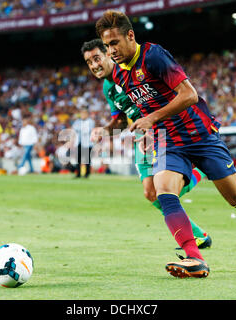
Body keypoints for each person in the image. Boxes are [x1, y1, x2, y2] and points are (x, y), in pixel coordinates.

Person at [96, 10, 236, 278]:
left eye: (114, 43)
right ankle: (195, 258)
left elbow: (189, 95)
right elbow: (144, 107)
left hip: (201, 135)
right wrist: (133, 129)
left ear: (130, 35)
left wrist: (152, 118)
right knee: (163, 191)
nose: (111, 50)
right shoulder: (120, 76)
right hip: (168, 142)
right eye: (107, 45)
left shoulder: (153, 56)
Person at [81, 38, 211, 248]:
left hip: (161, 132)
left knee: (165, 190)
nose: (94, 65)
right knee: (151, 193)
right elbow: (121, 120)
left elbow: (162, 98)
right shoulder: (108, 87)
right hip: (141, 137)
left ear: (109, 53)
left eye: (97, 58)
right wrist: (104, 130)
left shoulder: (132, 72)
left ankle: (200, 172)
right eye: (89, 62)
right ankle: (199, 235)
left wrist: (154, 127)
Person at [72, 109, 95, 178]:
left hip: (87, 143)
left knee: (87, 159)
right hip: (79, 142)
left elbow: (87, 130)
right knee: (78, 159)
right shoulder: (77, 121)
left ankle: (86, 174)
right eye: (82, 114)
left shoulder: (91, 122)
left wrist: (79, 129)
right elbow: (74, 129)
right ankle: (78, 173)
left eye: (84, 114)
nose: (83, 115)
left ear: (87, 114)